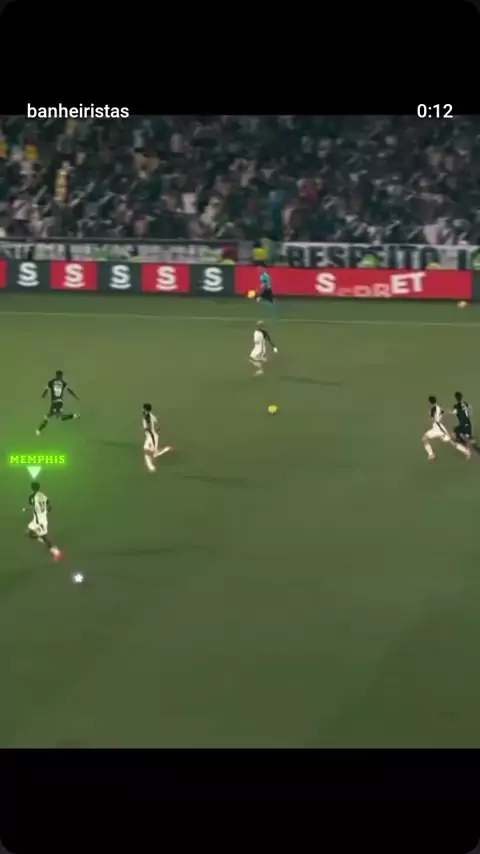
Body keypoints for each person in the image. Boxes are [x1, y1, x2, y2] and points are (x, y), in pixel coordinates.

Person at [422, 395, 471, 461]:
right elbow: (444, 412)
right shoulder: (438, 408)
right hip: (436, 427)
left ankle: (466, 451)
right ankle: (431, 454)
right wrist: (452, 412)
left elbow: (433, 418)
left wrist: (429, 417)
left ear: (430, 402)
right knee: (424, 438)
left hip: (439, 429)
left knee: (452, 442)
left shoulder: (433, 409)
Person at [24, 480, 63, 561]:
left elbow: (32, 505)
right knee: (28, 533)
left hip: (39, 522)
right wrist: (45, 511)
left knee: (43, 538)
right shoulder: (43, 495)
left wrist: (26, 509)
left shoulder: (32, 497)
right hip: (40, 519)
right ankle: (41, 537)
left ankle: (57, 553)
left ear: (31, 488)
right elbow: (49, 506)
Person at [36, 370, 80, 435]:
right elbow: (69, 390)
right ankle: (39, 430)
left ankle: (74, 415)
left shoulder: (52, 382)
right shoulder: (62, 383)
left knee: (57, 417)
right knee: (49, 416)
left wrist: (43, 396)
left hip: (56, 403)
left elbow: (46, 389)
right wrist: (75, 396)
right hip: (57, 402)